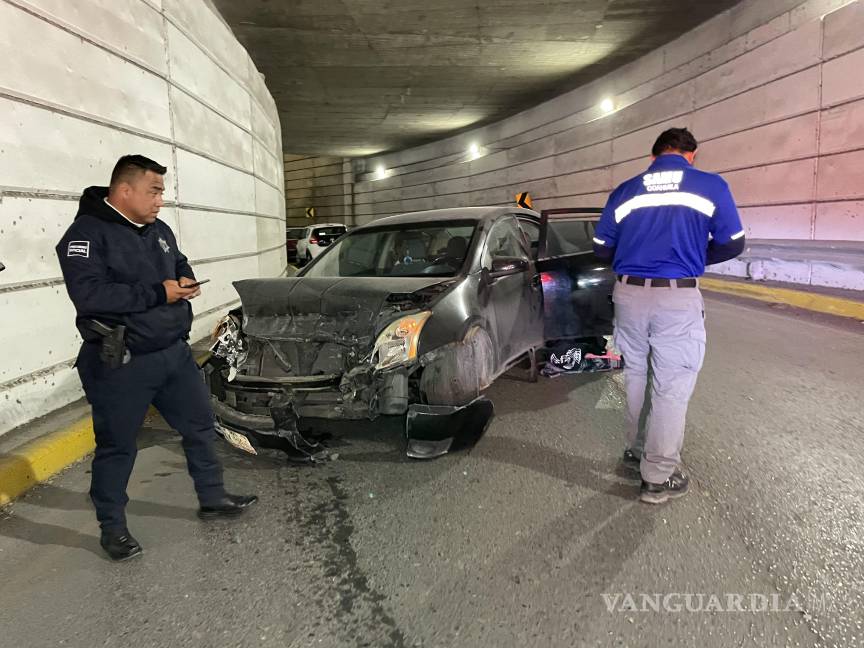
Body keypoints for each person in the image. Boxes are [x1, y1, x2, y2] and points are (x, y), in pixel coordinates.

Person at [56, 155, 257, 561]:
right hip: (123, 362)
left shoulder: (158, 229)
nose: (160, 200)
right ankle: (113, 529)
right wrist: (158, 293)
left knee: (200, 426)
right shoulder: (85, 235)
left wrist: (185, 277)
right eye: (154, 191)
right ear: (124, 190)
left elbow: (177, 260)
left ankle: (213, 497)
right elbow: (89, 295)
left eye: (162, 192)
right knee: (117, 447)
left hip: (173, 354)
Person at [593, 128, 745, 504]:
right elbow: (733, 242)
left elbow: (600, 247)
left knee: (634, 377)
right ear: (691, 155)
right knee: (671, 386)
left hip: (628, 294)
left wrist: (633, 256)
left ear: (654, 156)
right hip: (676, 297)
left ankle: (635, 452)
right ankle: (657, 477)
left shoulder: (626, 190)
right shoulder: (710, 185)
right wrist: (694, 255)